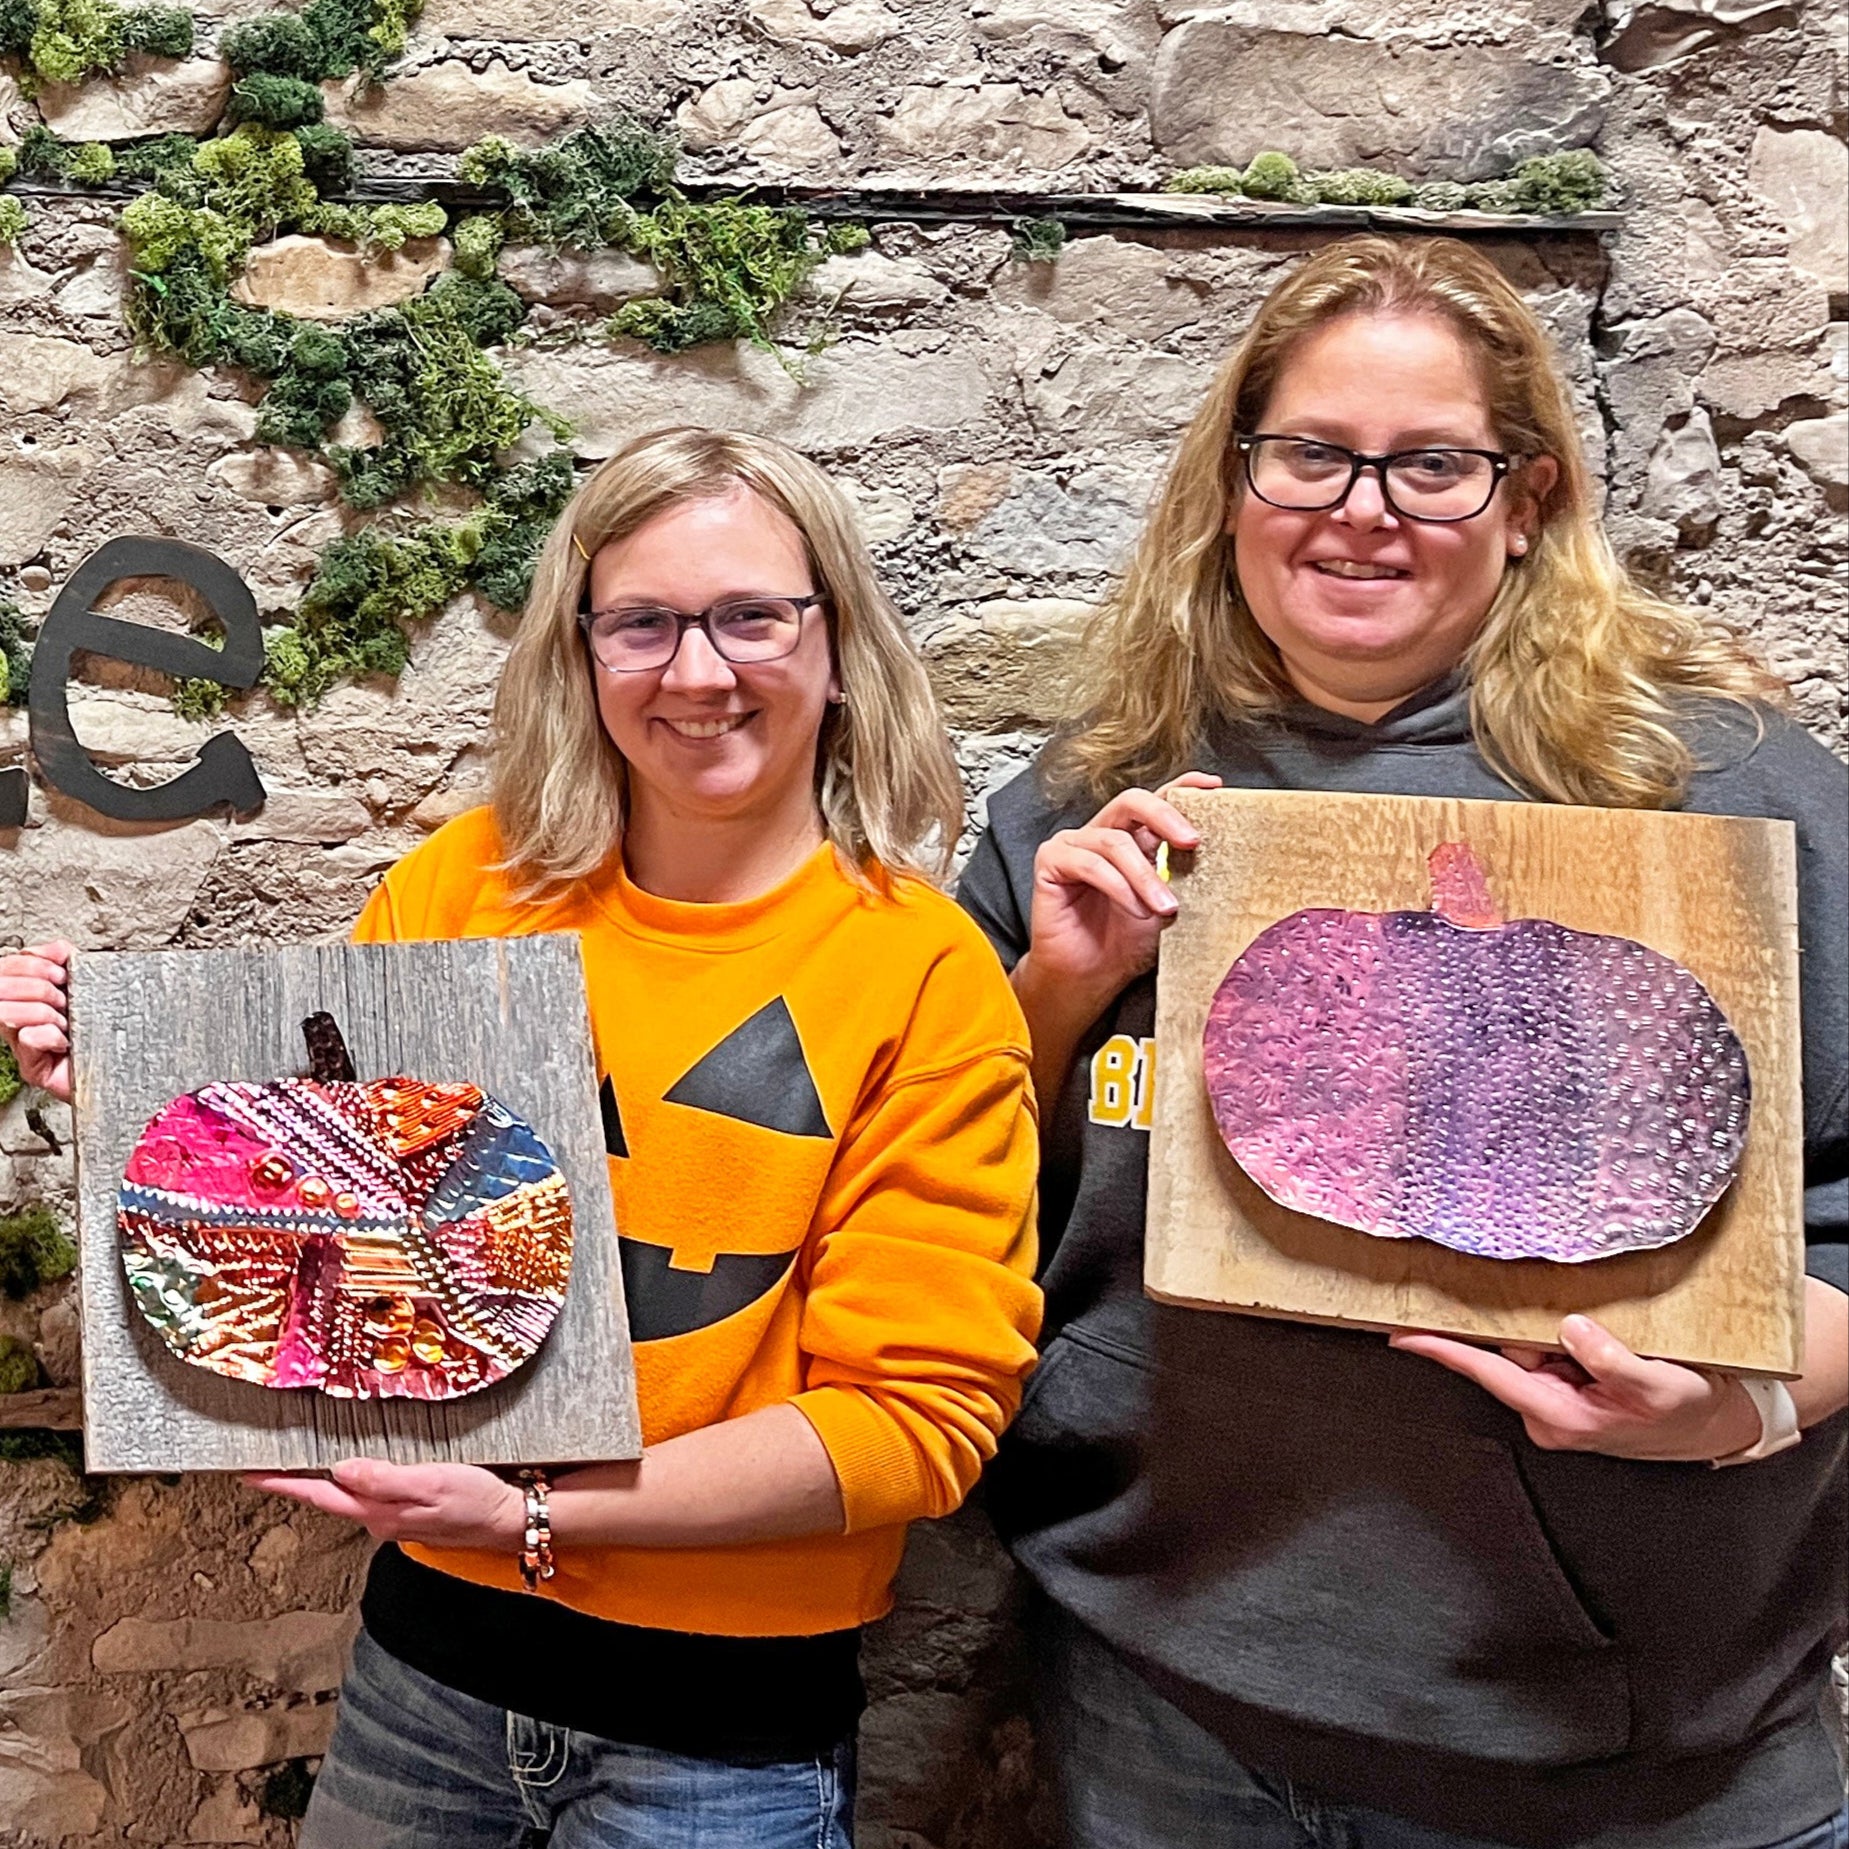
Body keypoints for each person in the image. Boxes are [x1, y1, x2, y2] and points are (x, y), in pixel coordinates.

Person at [1, 426, 1042, 1849]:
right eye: (643, 622)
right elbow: (336, 1202)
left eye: (749, 613)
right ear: (583, 647)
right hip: (426, 1673)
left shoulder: (922, 976)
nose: (696, 669)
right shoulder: (467, 882)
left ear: (836, 640)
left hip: (724, 1734)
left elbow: (919, 1420)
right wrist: (123, 1093)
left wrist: (538, 1515)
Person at [956, 235, 1849, 1849]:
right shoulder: (1094, 802)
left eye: (1431, 464)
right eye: (1309, 453)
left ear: (1528, 502)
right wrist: (1057, 993)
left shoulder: (1718, 793)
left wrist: (1743, 1408)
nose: (1359, 510)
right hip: (1169, 1686)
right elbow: (932, 1197)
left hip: (1627, 1744)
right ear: (1233, 483)